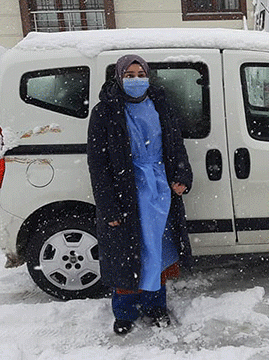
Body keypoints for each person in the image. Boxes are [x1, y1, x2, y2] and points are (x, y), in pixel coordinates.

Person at [87, 54, 193, 335]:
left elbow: (175, 144)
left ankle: (155, 307)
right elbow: (98, 165)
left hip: (160, 189)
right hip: (127, 191)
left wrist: (182, 176)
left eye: (140, 74)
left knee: (156, 249)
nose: (136, 80)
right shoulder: (105, 112)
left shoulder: (161, 105)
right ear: (119, 78)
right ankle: (124, 312)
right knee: (127, 254)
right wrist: (108, 208)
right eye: (129, 75)